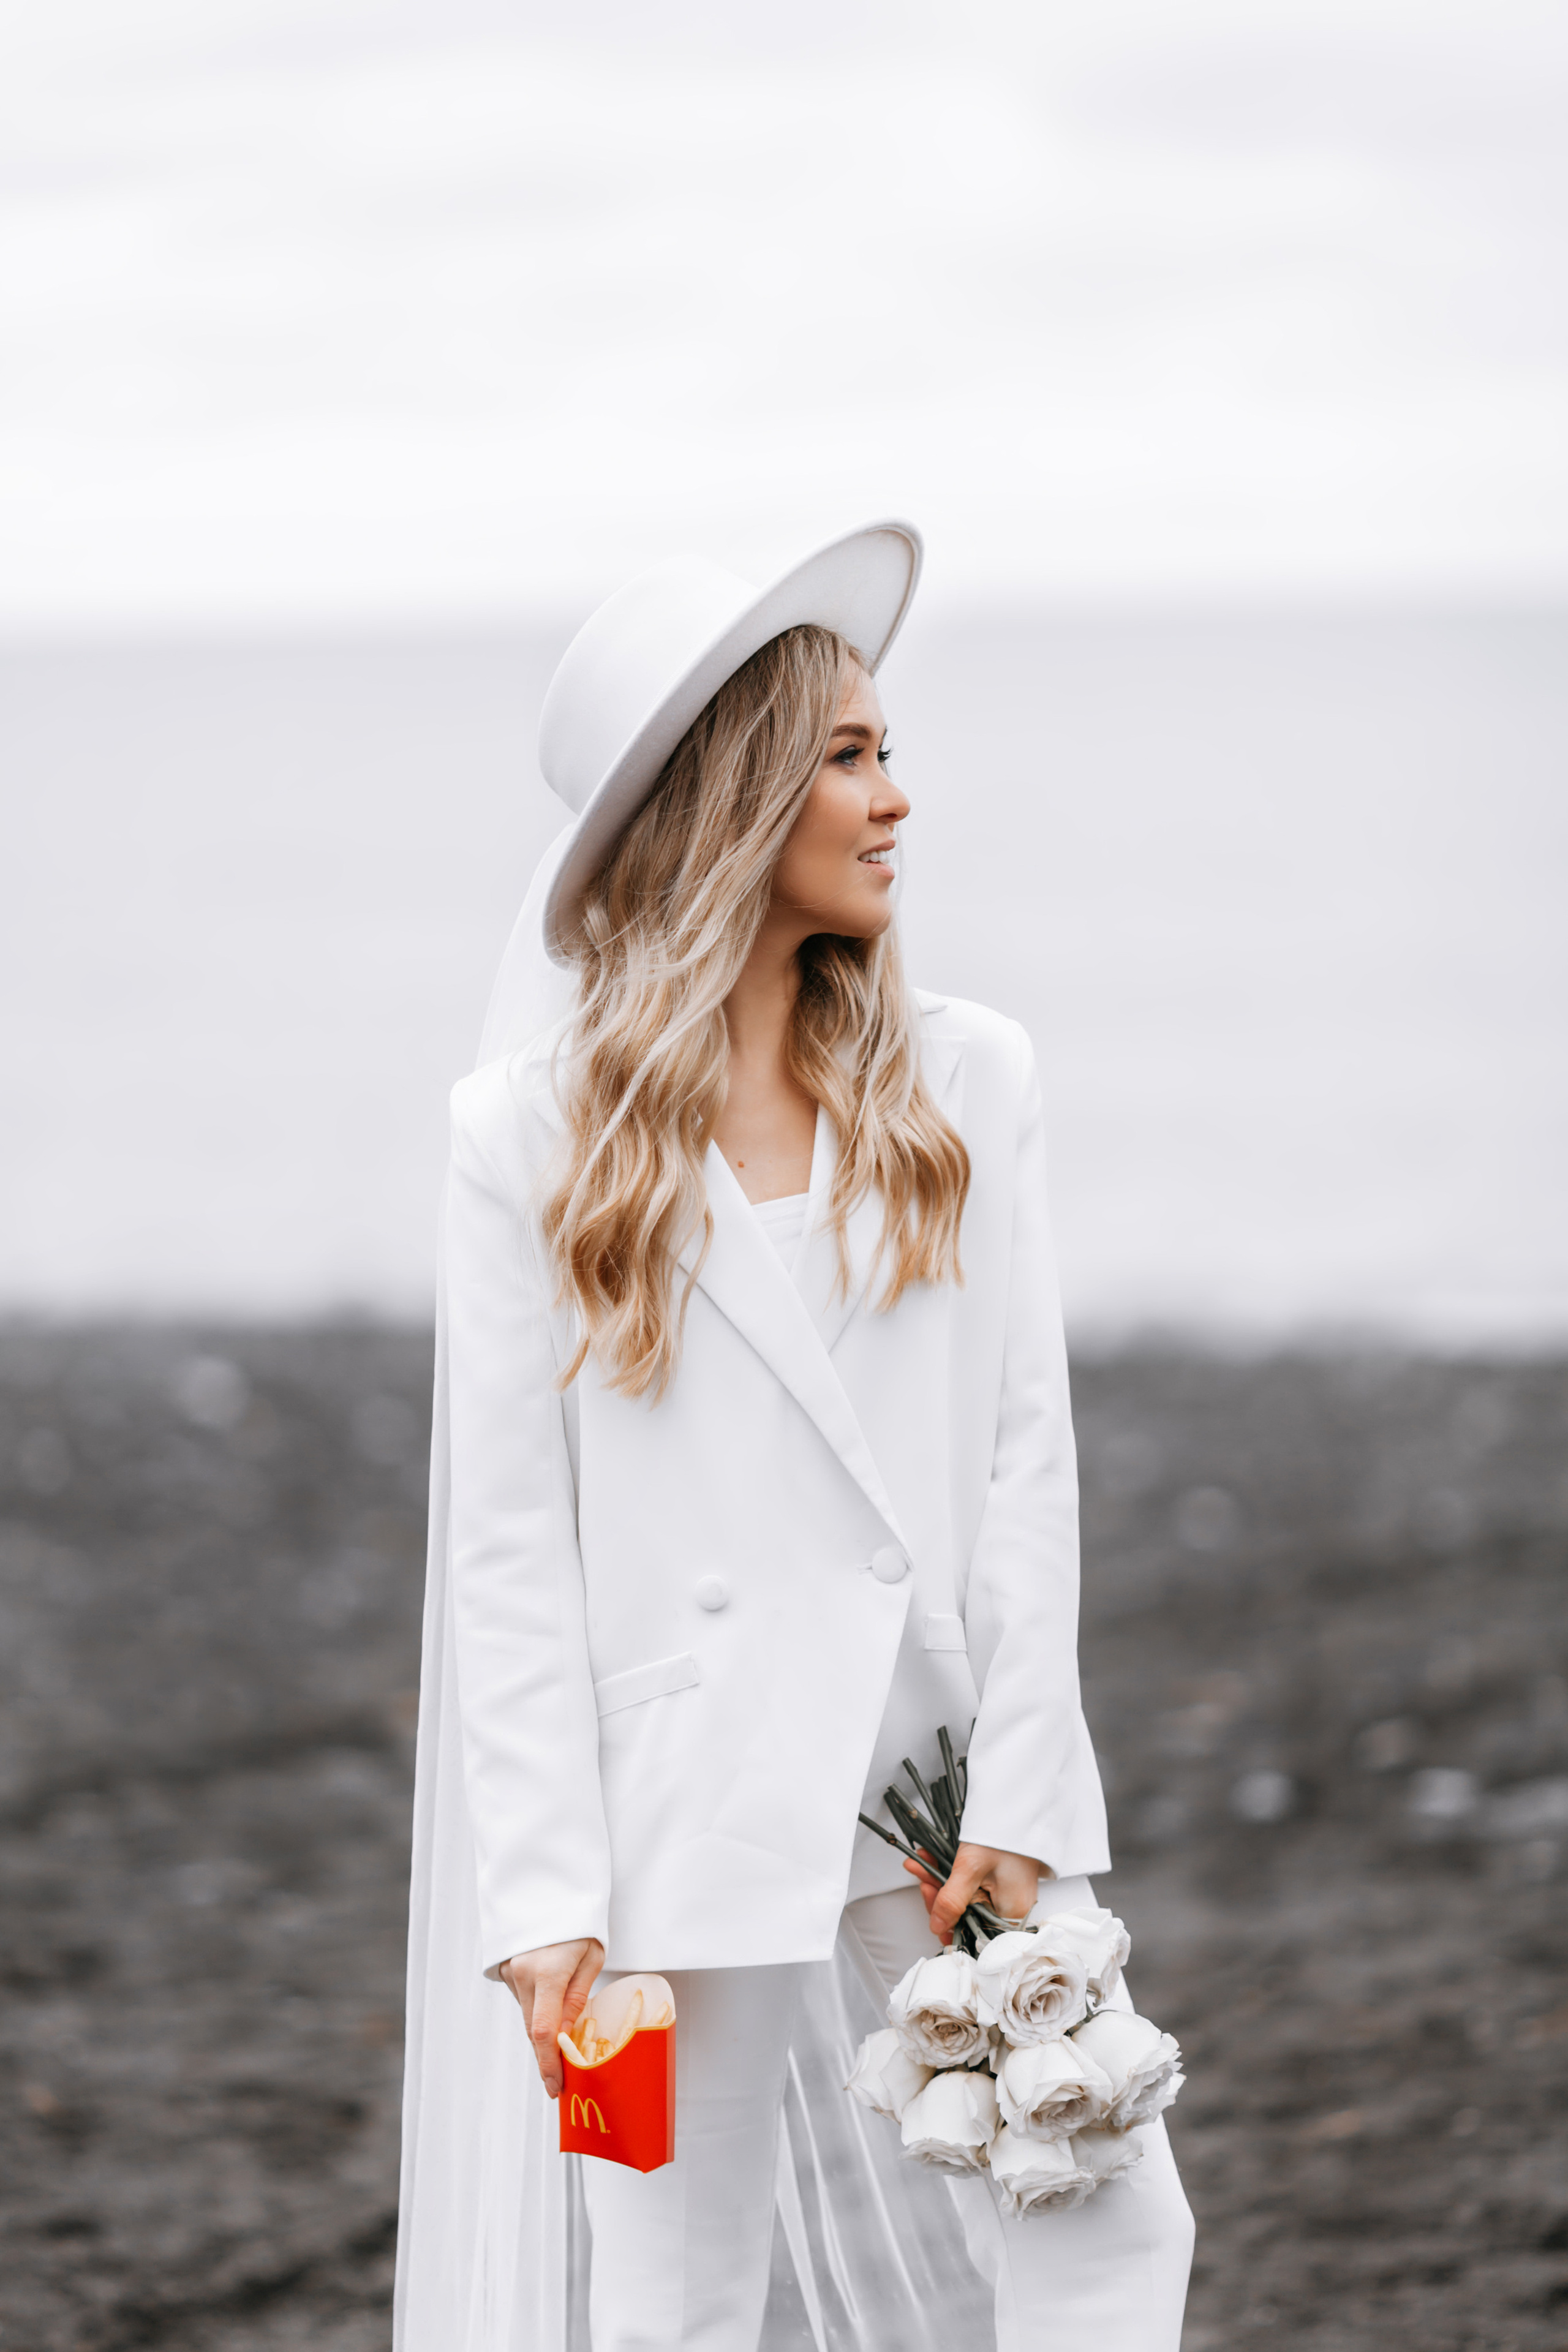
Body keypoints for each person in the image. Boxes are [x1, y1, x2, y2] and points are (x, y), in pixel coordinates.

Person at [394, 522, 1194, 2352]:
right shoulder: (520, 1138)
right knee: (675, 2286)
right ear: (732, 804)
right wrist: (546, 1901)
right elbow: (510, 1544)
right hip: (666, 1833)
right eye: (847, 758)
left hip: (936, 1798)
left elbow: (1021, 1458)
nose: (897, 800)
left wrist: (1028, 1792)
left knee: (1109, 2214)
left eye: (888, 751)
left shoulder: (972, 1077)